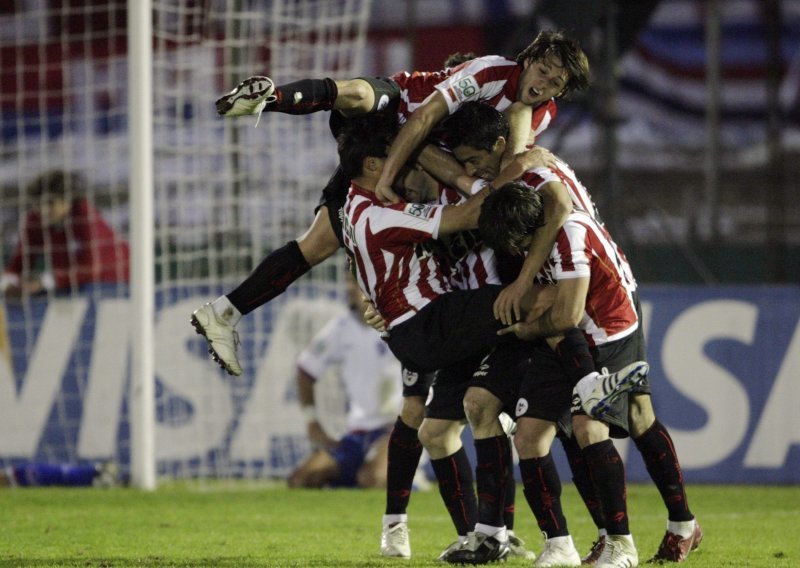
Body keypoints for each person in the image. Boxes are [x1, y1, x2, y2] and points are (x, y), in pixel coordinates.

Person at [191, 30, 590, 377]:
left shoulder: (536, 113)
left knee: (317, 245)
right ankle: (270, 97)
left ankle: (225, 312)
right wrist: (387, 179)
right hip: (395, 122)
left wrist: (374, 299)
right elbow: (422, 119)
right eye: (543, 72)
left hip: (412, 162)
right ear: (530, 58)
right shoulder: (490, 72)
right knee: (363, 95)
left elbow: (500, 159)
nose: (545, 85)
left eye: (556, 83)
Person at [337, 113, 641, 563]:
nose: (405, 176)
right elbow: (370, 248)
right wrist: (372, 294)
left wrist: (518, 165)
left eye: (409, 163)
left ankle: (591, 534)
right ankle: (489, 534)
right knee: (438, 430)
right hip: (464, 321)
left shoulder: (481, 186)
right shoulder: (404, 205)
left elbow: (553, 202)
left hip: (501, 320)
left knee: (564, 428)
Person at [479, 181, 703, 566]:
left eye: (516, 243)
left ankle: (624, 544)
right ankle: (559, 544)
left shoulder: (570, 233)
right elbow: (557, 310)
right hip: (564, 335)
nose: (514, 253)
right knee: (529, 436)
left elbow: (565, 312)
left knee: (593, 426)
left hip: (609, 329)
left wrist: (525, 329)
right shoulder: (534, 222)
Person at [287, 275, 401, 489]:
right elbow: (305, 370)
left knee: (373, 478)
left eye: (355, 282)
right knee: (301, 480)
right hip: (358, 432)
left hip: (396, 429)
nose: (349, 288)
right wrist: (312, 421)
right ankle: (352, 475)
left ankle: (408, 476)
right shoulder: (341, 327)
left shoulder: (400, 322)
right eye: (348, 282)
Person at [1, 170, 129, 297]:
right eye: (38, 204)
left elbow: (91, 268)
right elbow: (18, 263)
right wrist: (8, 283)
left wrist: (43, 282)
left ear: (67, 200)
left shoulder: (84, 215)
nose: (44, 210)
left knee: (84, 294)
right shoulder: (35, 220)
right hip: (70, 284)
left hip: (117, 281)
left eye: (50, 203)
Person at [0, 461, 119, 487]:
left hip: (17, 475)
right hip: (18, 479)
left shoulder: (20, 471)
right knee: (62, 475)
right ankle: (98, 474)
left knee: (62, 473)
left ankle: (98, 471)